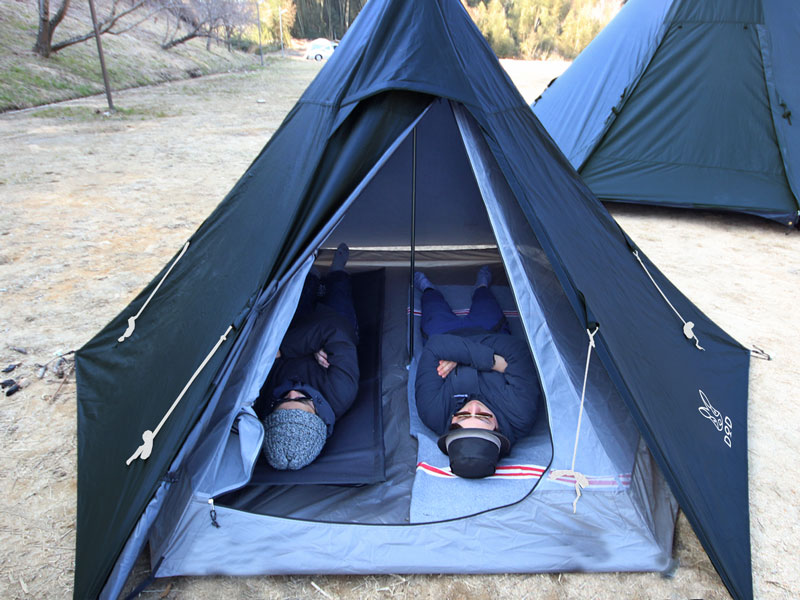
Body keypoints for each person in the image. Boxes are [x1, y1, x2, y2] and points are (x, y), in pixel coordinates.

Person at [414, 266, 541, 478]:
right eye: (484, 416)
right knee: (486, 302)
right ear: (498, 429)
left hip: (445, 333)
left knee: (433, 305)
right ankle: (481, 285)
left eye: (463, 415)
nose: (473, 407)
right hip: (489, 332)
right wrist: (487, 360)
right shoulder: (521, 412)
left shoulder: (433, 412)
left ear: (452, 423)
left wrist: (497, 363)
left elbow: (434, 347)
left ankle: (427, 287)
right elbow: (517, 351)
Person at [256, 243, 360, 470]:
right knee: (339, 300)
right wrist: (287, 351)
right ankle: (337, 272)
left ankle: (310, 274)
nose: (291, 392)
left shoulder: (262, 398)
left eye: (282, 401)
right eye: (302, 400)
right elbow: (336, 332)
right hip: (334, 324)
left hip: (295, 332)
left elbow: (262, 354)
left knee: (296, 302)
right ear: (318, 415)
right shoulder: (341, 392)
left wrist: (291, 349)